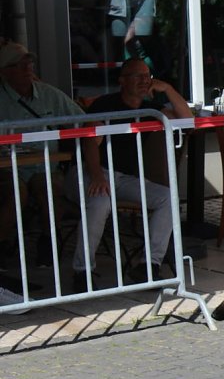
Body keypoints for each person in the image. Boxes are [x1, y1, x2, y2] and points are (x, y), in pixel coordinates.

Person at [64, 57, 187, 292]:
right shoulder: (105, 104)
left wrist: (168, 89)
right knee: (100, 202)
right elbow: (91, 142)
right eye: (137, 76)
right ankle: (83, 271)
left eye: (147, 76)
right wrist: (97, 175)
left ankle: (149, 266)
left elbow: (187, 119)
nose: (144, 81)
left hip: (123, 178)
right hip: (88, 172)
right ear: (122, 80)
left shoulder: (150, 110)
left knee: (167, 197)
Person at [0, 41, 84, 267]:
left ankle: (50, 242)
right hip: (7, 168)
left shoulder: (49, 94)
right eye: (20, 64)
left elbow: (83, 121)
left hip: (44, 164)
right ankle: (3, 244)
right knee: (16, 192)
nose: (28, 68)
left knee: (49, 188)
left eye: (29, 62)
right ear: (6, 72)